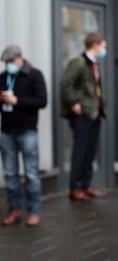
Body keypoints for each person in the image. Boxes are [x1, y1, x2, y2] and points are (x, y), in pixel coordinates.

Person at [0, 45, 47, 227]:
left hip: (27, 131)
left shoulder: (34, 75)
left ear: (20, 58)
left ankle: (34, 211)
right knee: (10, 173)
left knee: (31, 173)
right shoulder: (2, 77)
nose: (8, 65)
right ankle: (14, 209)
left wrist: (17, 101)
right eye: (6, 62)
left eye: (11, 62)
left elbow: (42, 101)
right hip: (7, 132)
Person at [60, 32, 107, 201]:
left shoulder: (94, 64)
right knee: (80, 151)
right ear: (95, 45)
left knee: (90, 151)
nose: (104, 49)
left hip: (94, 113)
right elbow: (66, 84)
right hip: (82, 115)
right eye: (103, 45)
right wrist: (74, 103)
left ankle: (86, 185)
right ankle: (75, 188)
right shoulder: (78, 63)